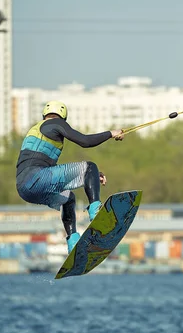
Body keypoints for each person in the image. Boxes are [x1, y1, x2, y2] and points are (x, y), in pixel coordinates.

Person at [15, 101, 125, 253]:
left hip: (24, 189)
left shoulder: (36, 130)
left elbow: (43, 165)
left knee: (68, 199)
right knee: (90, 166)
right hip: (37, 177)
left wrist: (91, 176)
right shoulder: (56, 123)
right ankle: (96, 211)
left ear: (44, 115)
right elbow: (85, 141)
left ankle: (73, 241)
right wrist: (110, 134)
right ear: (63, 118)